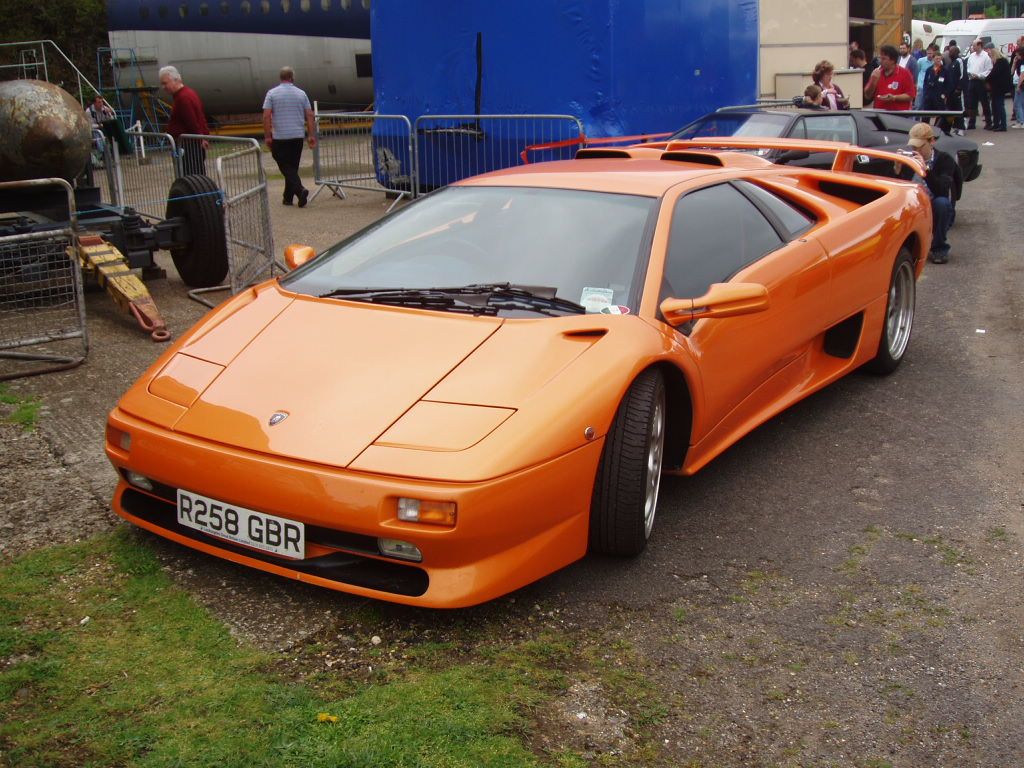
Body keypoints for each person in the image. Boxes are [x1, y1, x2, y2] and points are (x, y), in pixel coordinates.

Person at [899, 123, 956, 264]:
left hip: (933, 201)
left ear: (932, 141)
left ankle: (939, 248)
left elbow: (942, 189)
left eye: (920, 146)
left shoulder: (944, 160)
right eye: (913, 147)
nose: (916, 150)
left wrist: (926, 171)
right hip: (914, 202)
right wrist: (897, 169)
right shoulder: (910, 159)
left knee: (942, 204)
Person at [262, 66, 317, 207]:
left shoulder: (272, 94)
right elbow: (310, 115)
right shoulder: (301, 94)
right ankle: (287, 198)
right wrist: (311, 135)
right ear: (292, 77)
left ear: (281, 78)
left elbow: (267, 115)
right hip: (297, 136)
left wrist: (267, 135)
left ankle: (300, 190)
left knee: (286, 167)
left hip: (280, 137)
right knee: (292, 167)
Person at [159, 65, 210, 175]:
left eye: (165, 83)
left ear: (175, 80)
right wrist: (204, 136)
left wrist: (200, 138)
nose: (164, 87)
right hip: (192, 143)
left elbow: (191, 121)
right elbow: (200, 117)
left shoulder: (183, 98)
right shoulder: (189, 94)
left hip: (189, 146)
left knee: (190, 175)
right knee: (196, 174)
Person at [865, 44, 916, 110]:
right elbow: (867, 96)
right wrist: (873, 82)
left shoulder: (905, 73)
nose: (880, 61)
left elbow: (910, 96)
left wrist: (894, 97)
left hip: (898, 116)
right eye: (880, 58)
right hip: (879, 114)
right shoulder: (877, 73)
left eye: (884, 59)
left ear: (893, 61)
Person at [922, 47, 954, 132]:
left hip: (939, 96)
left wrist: (945, 95)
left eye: (939, 59)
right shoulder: (929, 70)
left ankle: (938, 130)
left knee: (940, 115)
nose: (938, 60)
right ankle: (925, 130)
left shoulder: (945, 71)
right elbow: (925, 82)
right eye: (936, 59)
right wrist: (925, 94)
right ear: (933, 59)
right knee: (926, 115)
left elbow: (949, 84)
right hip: (929, 96)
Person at [964, 39, 993, 129]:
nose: (973, 47)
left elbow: (989, 69)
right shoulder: (972, 56)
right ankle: (971, 123)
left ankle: (988, 122)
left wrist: (980, 75)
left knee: (984, 102)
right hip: (972, 80)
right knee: (971, 103)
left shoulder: (986, 56)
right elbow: (968, 67)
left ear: (979, 45)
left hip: (981, 81)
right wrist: (970, 74)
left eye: (974, 45)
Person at [985, 43, 1011, 131]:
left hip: (999, 88)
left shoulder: (1001, 62)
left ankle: (1003, 125)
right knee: (995, 106)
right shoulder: (1000, 62)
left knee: (999, 106)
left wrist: (986, 79)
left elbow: (994, 74)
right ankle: (996, 123)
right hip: (996, 87)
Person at [1011, 36, 1024, 126]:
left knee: (1017, 103)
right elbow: (1011, 72)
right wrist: (1014, 62)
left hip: (1021, 85)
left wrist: (1019, 86)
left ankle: (1021, 121)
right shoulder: (1018, 62)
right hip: (1017, 83)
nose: (1016, 56)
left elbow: (1022, 75)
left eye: (1017, 55)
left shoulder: (1023, 63)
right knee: (1019, 103)